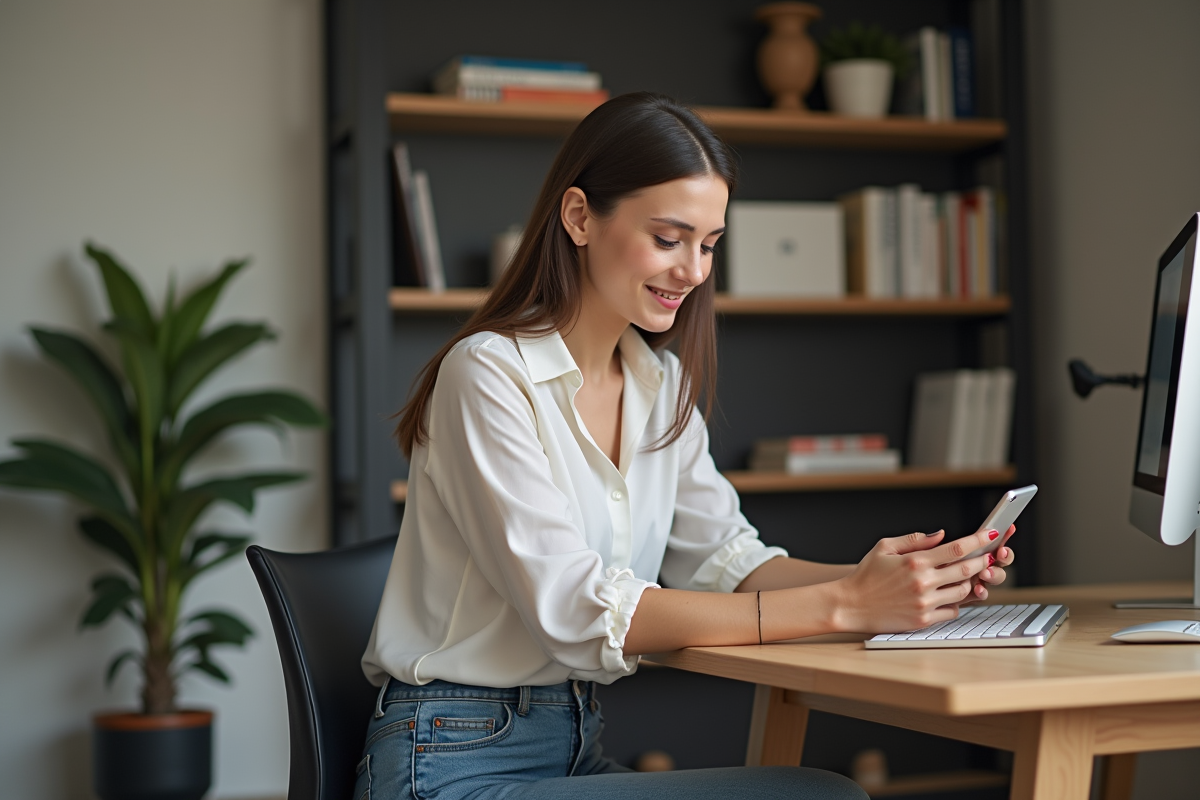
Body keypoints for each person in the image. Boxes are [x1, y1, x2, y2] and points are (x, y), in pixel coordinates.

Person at [356, 92, 1015, 800]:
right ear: (579, 217)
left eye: (708, 245)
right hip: (451, 758)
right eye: (669, 239)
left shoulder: (660, 383)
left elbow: (728, 562)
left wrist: (889, 581)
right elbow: (575, 611)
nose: (694, 271)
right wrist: (846, 606)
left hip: (574, 743)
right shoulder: (487, 374)